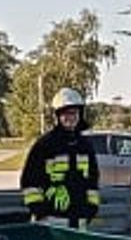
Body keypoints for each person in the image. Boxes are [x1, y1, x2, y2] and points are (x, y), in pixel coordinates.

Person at [20, 88, 102, 228]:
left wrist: (91, 208)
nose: (71, 117)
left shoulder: (85, 146)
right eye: (66, 113)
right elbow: (29, 181)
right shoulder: (44, 144)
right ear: (57, 116)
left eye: (74, 112)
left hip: (79, 219)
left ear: (80, 114)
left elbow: (93, 180)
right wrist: (40, 210)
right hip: (51, 220)